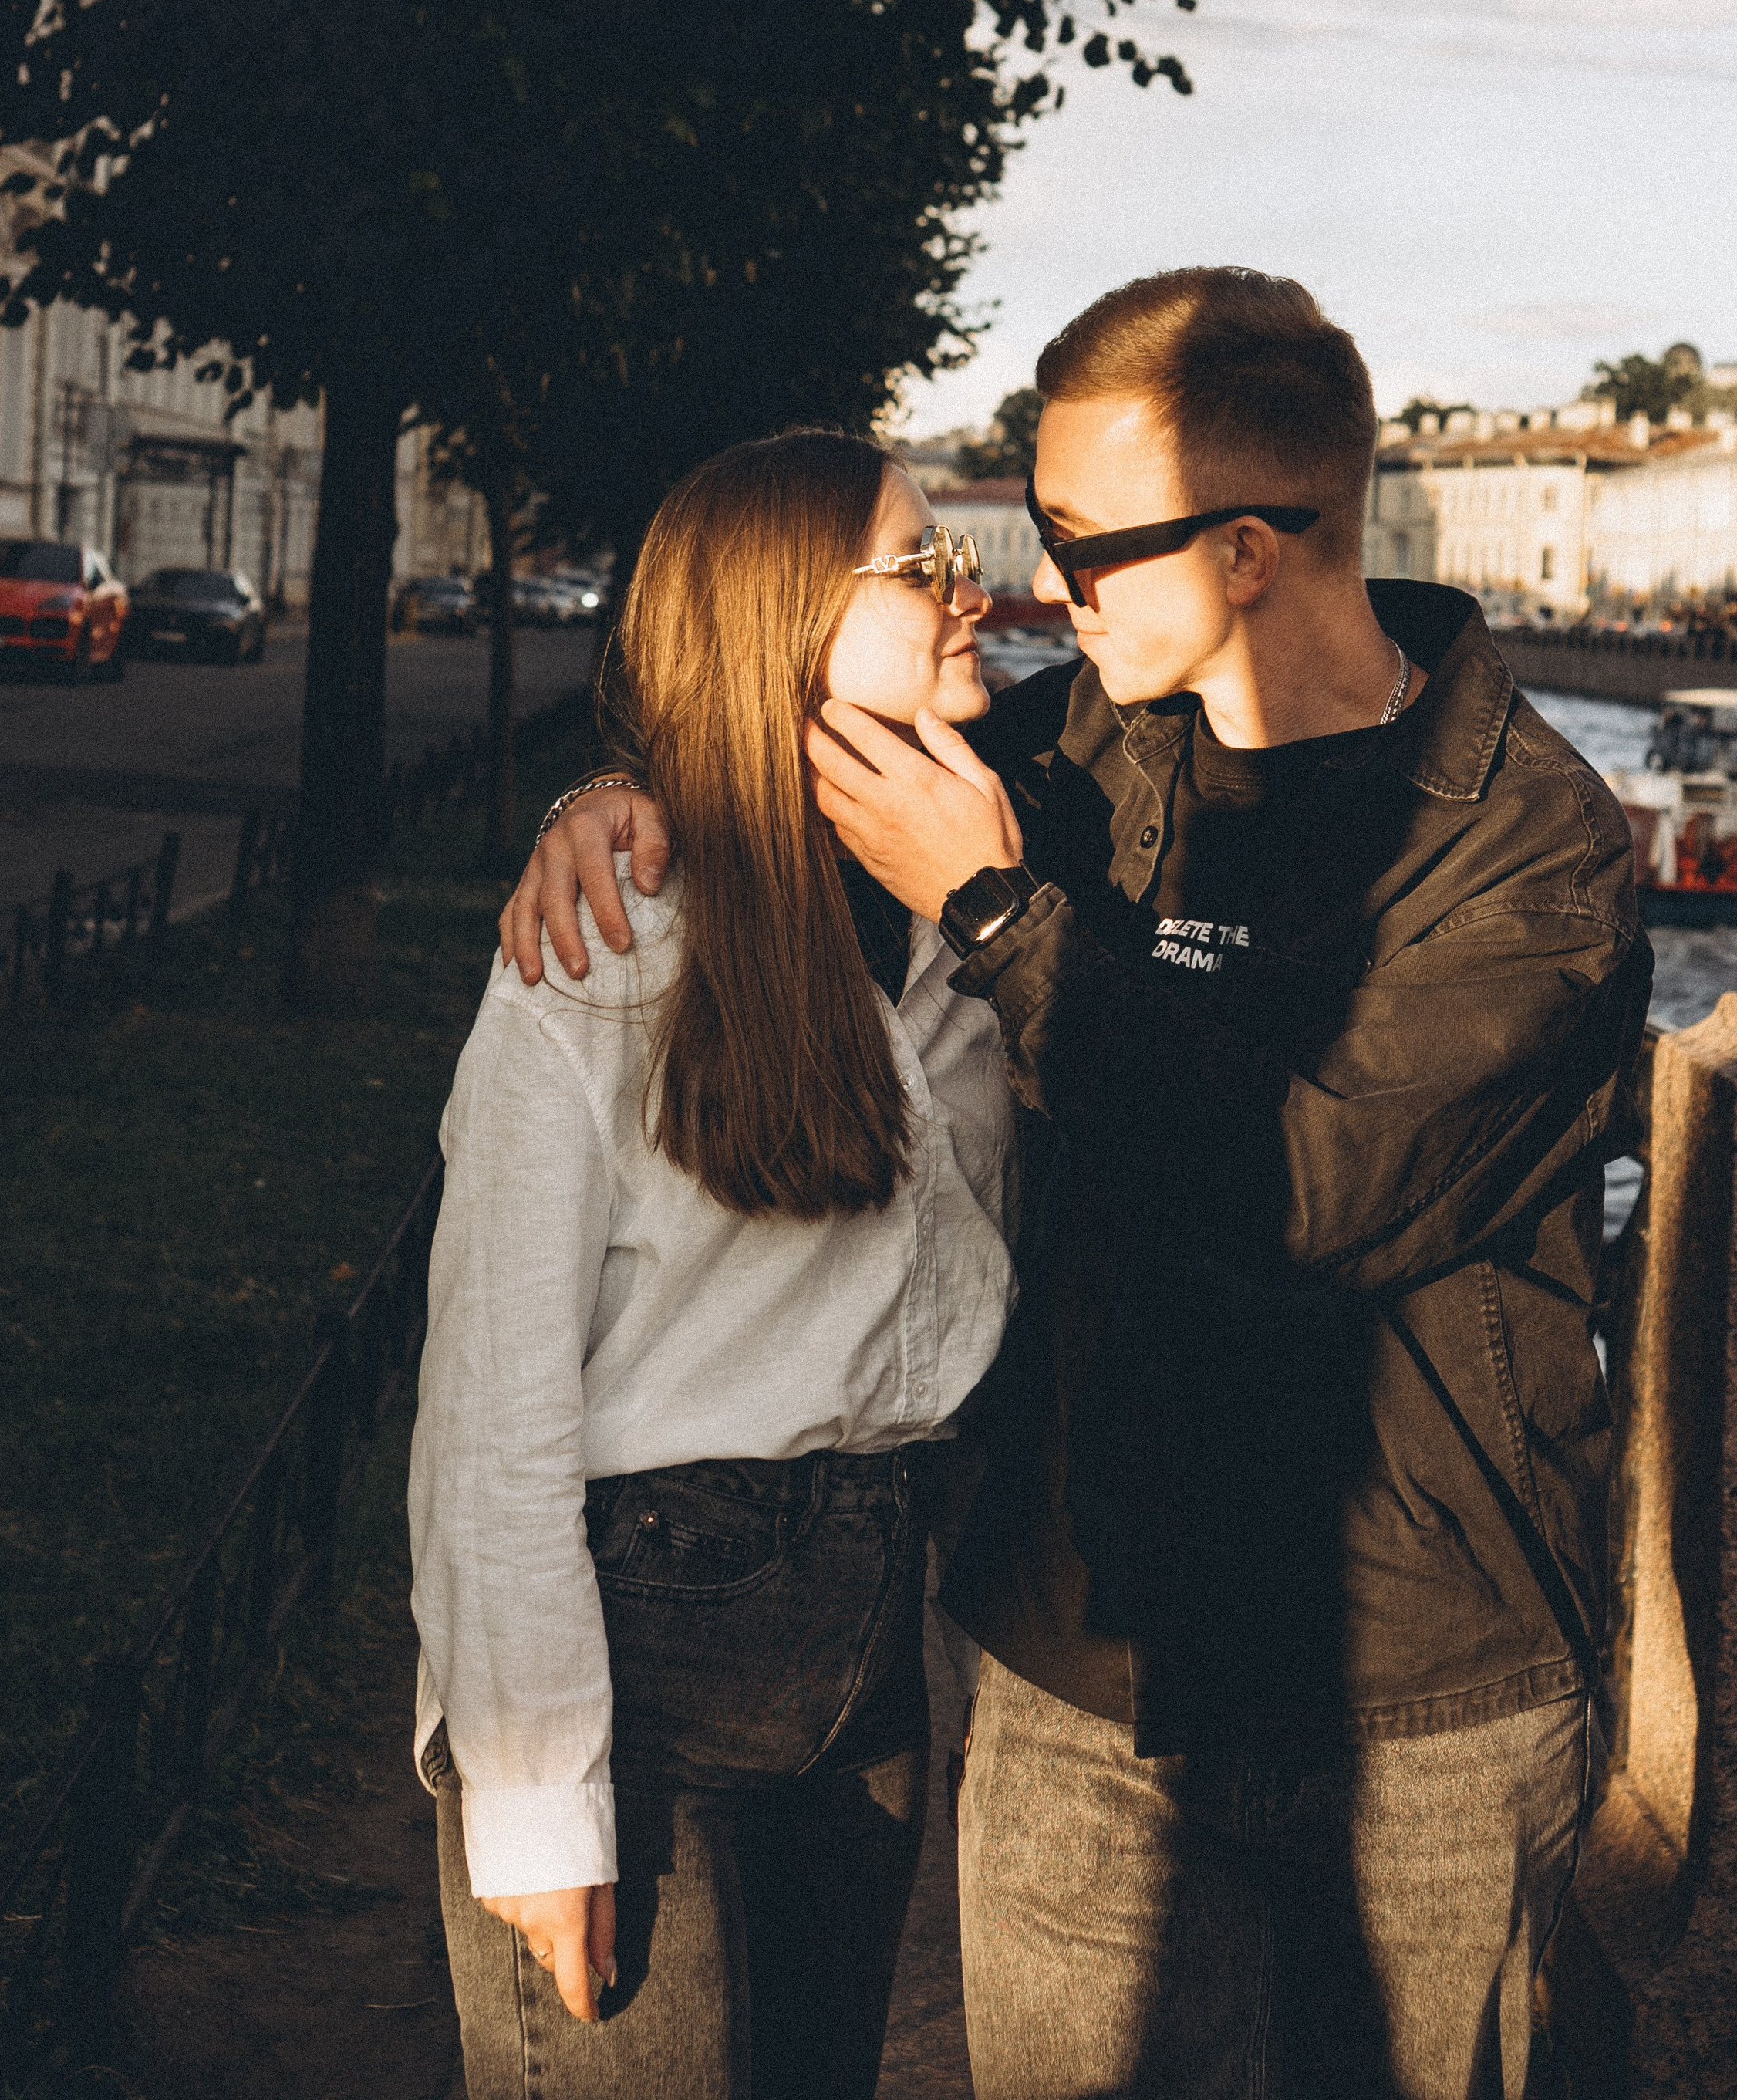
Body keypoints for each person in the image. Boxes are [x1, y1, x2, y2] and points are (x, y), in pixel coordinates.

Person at [504, 269, 1653, 2100]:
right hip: (1070, 1666)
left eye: (1082, 544)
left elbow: (1309, 1188)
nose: (1042, 587)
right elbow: (775, 733)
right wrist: (617, 799)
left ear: (1250, 551)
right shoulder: (1072, 752)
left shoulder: (1527, 852)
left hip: (1412, 1700)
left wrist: (1000, 913)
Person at [410, 428, 1018, 2100]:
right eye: (924, 566)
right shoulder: (606, 950)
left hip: (873, 1662)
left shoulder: (968, 902)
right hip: (637, 1659)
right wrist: (539, 1798)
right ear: (778, 622)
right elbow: (490, 1412)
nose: (971, 592)